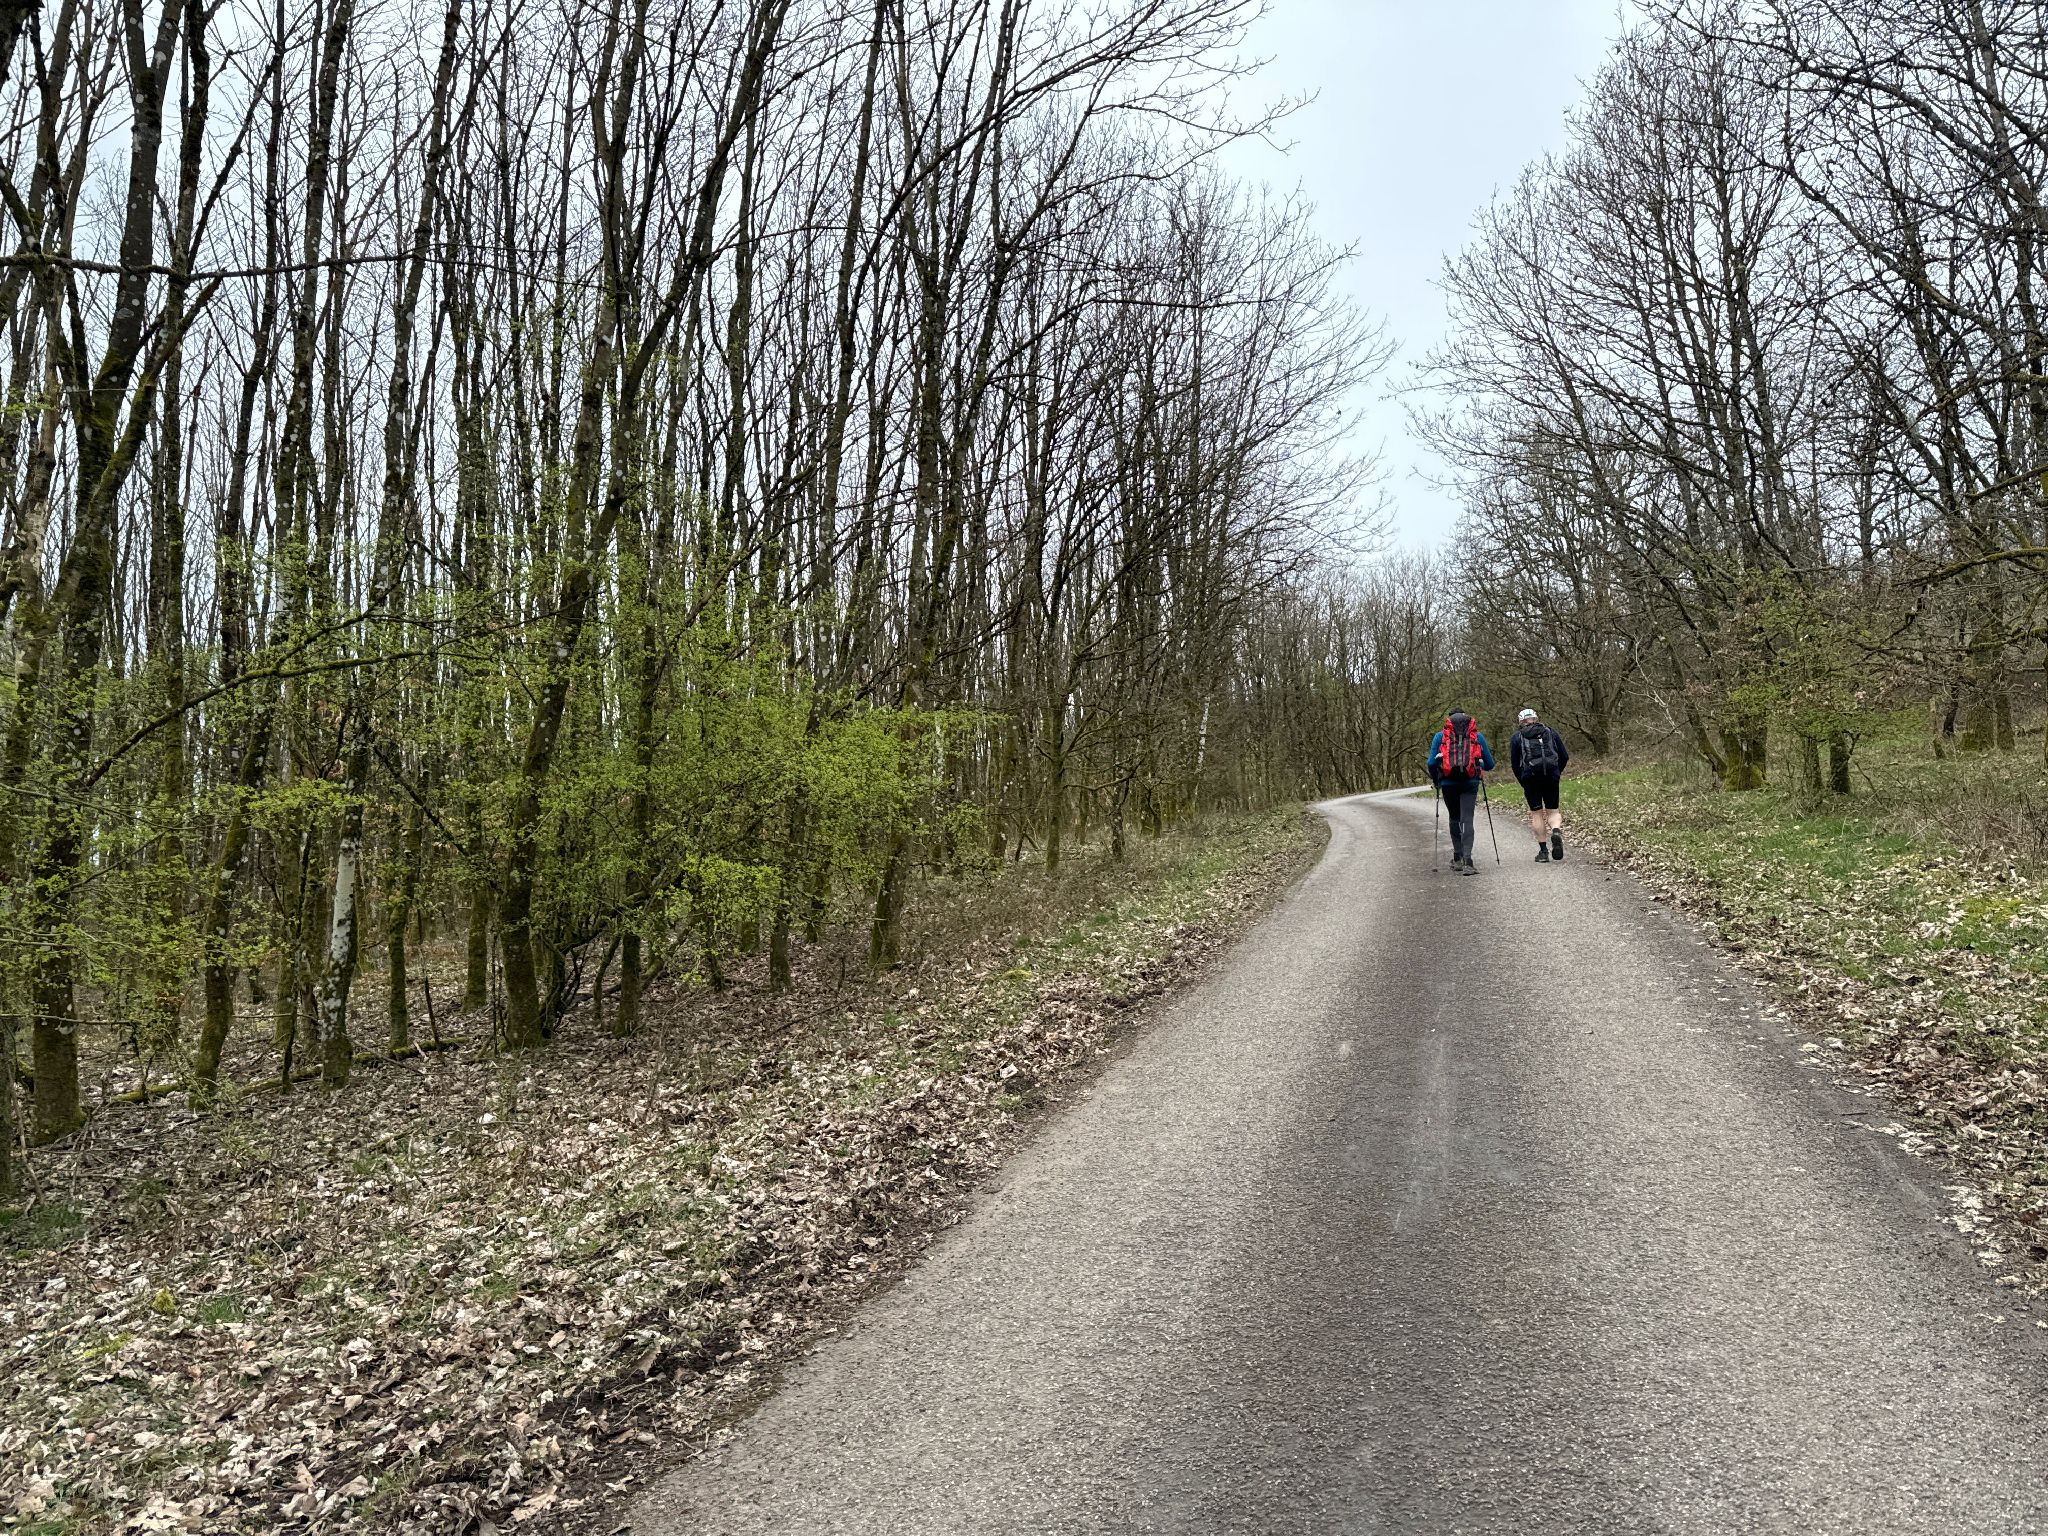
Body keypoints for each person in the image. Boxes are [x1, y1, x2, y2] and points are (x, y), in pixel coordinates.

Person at [1426, 709, 1495, 875]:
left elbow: (1431, 763)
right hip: (1470, 782)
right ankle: (1468, 861)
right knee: (1467, 819)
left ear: (1448, 721)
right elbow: (1490, 764)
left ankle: (1457, 858)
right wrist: (1477, 764)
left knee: (1454, 818)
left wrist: (1437, 780)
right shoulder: (1477, 736)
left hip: (1448, 783)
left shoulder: (1440, 737)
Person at [1509, 706, 1571, 862]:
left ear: (1521, 721)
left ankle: (1543, 852)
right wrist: (1556, 772)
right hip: (1551, 776)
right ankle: (1555, 831)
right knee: (1553, 811)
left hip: (1530, 779)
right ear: (1536, 719)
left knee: (1536, 813)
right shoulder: (1550, 732)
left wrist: (1522, 780)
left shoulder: (1517, 737)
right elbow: (1564, 756)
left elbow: (1515, 764)